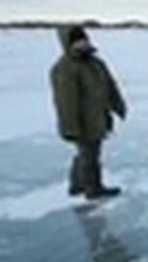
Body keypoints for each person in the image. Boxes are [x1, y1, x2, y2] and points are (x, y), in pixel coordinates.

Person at [50, 25, 127, 200]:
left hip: (98, 117)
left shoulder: (96, 63)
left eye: (84, 39)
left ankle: (77, 185)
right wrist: (70, 128)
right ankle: (93, 189)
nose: (82, 44)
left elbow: (110, 86)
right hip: (81, 121)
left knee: (87, 153)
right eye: (77, 41)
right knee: (89, 155)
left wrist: (118, 105)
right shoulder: (65, 68)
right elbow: (65, 101)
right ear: (68, 44)